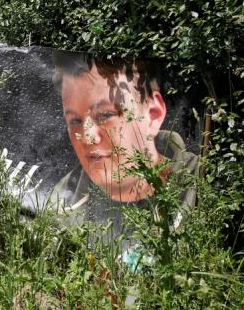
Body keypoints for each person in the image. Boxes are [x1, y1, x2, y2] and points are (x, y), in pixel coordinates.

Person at [49, 51, 198, 233]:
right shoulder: (60, 202)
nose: (88, 137)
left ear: (153, 114)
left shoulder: (206, 187)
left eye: (105, 115)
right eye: (75, 121)